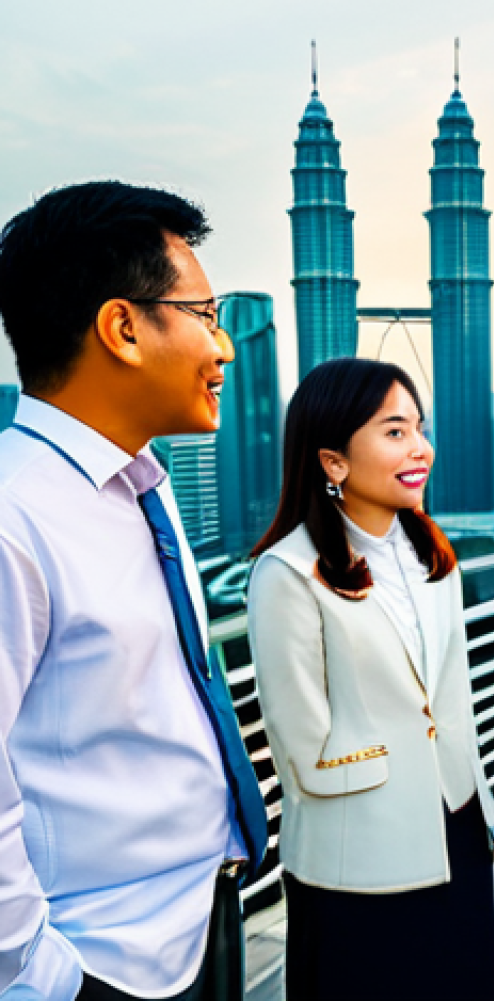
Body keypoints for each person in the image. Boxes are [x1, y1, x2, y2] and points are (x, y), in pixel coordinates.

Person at [0, 181, 268, 1001]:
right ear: (122, 327)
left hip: (194, 918)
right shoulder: (15, 517)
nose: (224, 348)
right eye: (206, 314)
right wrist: (52, 981)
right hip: (102, 961)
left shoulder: (141, 485)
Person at [247, 357, 494, 1001]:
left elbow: (448, 697)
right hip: (358, 852)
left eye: (419, 428)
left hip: (455, 826)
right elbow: (302, 746)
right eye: (394, 432)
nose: (420, 448)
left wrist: (463, 794)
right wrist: (395, 768)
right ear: (333, 462)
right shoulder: (286, 573)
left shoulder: (431, 554)